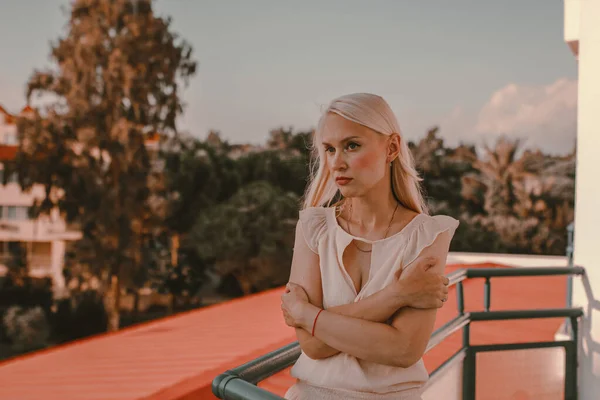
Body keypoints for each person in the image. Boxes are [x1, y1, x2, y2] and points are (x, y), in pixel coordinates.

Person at [280, 93, 460, 399]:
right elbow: (311, 346)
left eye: (352, 145)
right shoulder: (313, 228)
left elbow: (403, 349)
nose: (337, 162)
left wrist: (306, 314)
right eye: (329, 149)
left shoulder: (428, 235)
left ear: (391, 148)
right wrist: (396, 295)